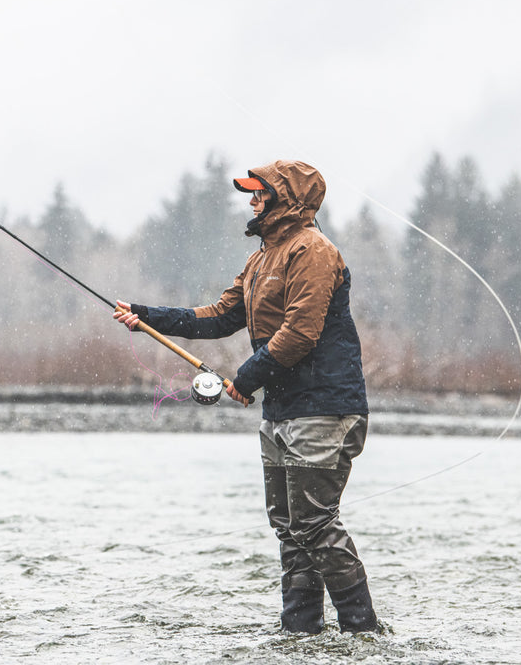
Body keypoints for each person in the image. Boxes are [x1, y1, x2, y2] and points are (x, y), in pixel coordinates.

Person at [112, 159, 379, 634]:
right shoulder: (261, 258)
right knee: (291, 530)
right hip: (282, 411)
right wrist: (146, 316)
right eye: (251, 194)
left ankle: (363, 631)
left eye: (260, 193)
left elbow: (300, 331)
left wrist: (246, 377)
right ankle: (300, 632)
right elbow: (218, 316)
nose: (252, 201)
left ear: (285, 198)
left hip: (325, 408)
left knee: (315, 526)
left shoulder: (313, 251)